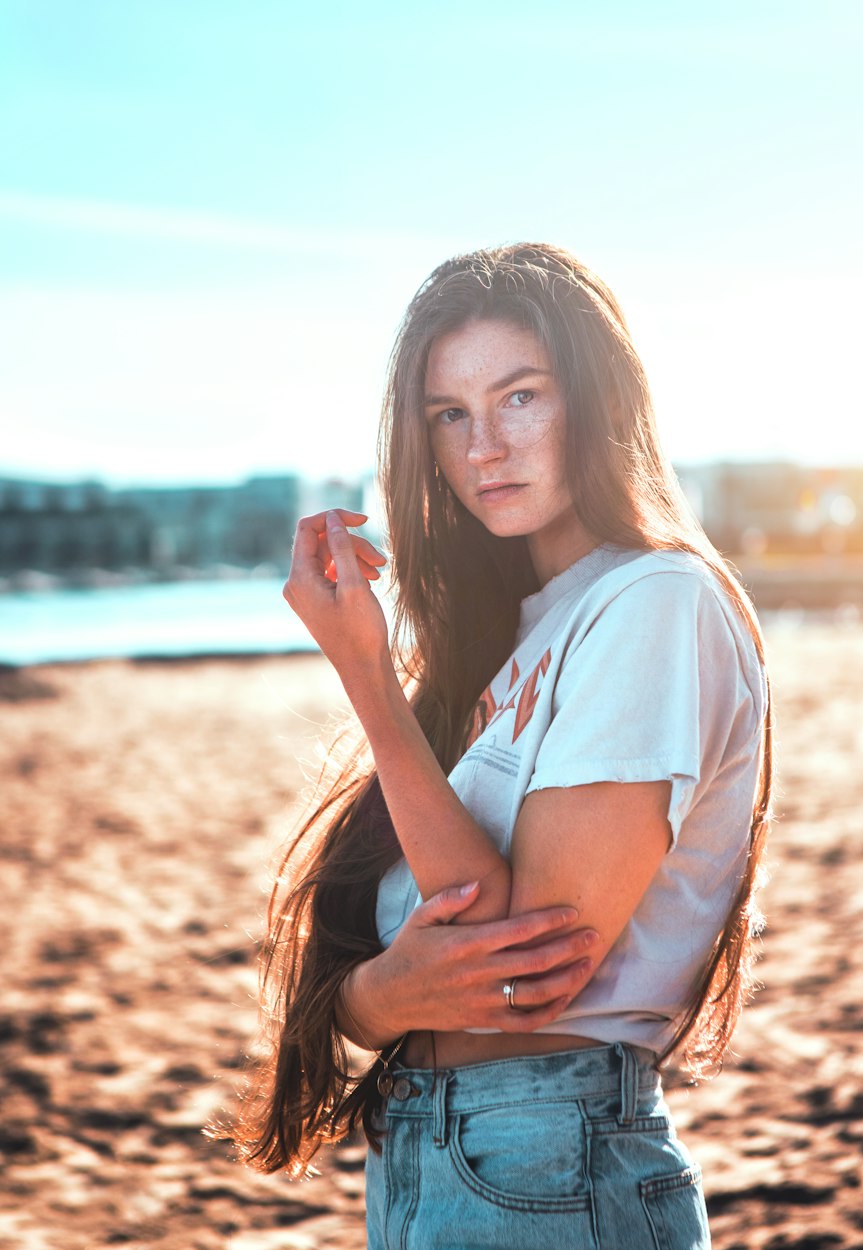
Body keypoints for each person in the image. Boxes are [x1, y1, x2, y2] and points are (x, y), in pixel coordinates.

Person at [228, 243, 772, 1249]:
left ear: (596, 401)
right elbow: (392, 983)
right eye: (450, 413)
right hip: (428, 1157)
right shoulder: (509, 635)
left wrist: (367, 681)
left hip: (547, 1155)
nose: (484, 443)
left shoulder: (653, 600)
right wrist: (373, 994)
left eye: (519, 396)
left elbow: (522, 974)